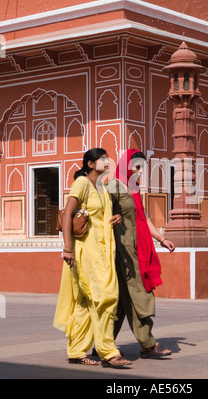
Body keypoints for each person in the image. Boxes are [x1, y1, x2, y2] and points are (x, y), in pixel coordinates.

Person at [53, 148, 132, 368]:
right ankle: (108, 352)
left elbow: (103, 214)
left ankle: (77, 351)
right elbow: (68, 214)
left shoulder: (103, 187)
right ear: (90, 164)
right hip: (86, 251)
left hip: (104, 251)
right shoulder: (82, 183)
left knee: (85, 302)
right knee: (106, 297)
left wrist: (115, 216)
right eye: (102, 159)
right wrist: (67, 249)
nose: (107, 162)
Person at [106, 149, 175, 359]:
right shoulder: (113, 186)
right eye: (136, 167)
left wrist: (162, 239)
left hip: (137, 249)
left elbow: (144, 220)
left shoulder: (133, 190)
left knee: (121, 300)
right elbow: (100, 216)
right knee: (139, 293)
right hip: (122, 250)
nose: (139, 172)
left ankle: (104, 343)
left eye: (141, 168)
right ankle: (147, 343)